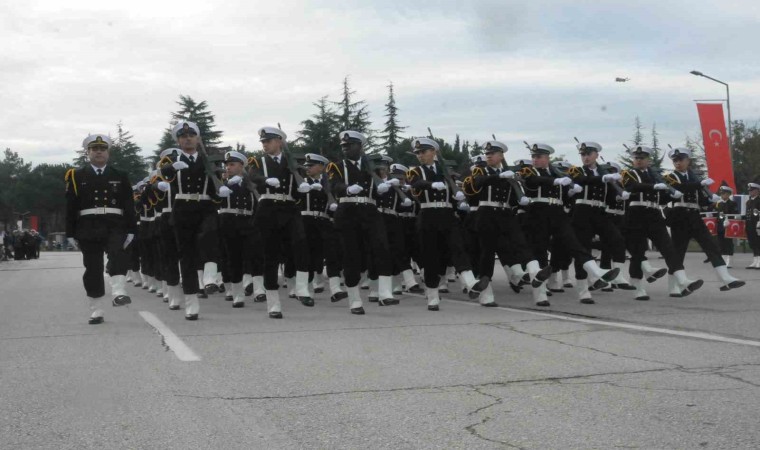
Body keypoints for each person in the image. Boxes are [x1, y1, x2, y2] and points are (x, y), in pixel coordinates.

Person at [520, 143, 619, 306]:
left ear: (547, 158)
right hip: (538, 213)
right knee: (540, 252)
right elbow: (533, 181)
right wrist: (556, 181)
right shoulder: (530, 171)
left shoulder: (557, 172)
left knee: (574, 244)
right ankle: (541, 294)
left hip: (557, 213)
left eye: (538, 157)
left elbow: (564, 198)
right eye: (533, 157)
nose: (535, 160)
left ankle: (596, 272)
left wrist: (571, 192)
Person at [406, 137, 487, 311]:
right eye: (418, 153)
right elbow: (416, 184)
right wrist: (431, 184)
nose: (420, 155)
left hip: (447, 215)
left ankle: (471, 283)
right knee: (431, 256)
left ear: (433, 152)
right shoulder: (415, 171)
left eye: (423, 152)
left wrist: (458, 197)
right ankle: (432, 295)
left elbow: (455, 190)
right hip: (427, 216)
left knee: (458, 248)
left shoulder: (446, 172)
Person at [465, 140, 549, 306]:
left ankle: (535, 271)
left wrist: (520, 199)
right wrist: (498, 176)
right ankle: (486, 295)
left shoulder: (508, 173)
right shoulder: (481, 170)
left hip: (506, 214)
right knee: (487, 254)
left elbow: (512, 196)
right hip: (486, 214)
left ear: (501, 156)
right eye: (487, 154)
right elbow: (478, 182)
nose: (489, 156)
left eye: (492, 153)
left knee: (520, 243)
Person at [326, 130, 400, 314]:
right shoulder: (337, 166)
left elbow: (377, 189)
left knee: (382, 248)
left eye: (350, 145)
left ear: (360, 146)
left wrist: (382, 190)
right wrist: (347, 189)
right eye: (343, 146)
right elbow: (334, 185)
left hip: (370, 211)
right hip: (348, 211)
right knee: (351, 255)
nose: (346, 148)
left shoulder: (371, 167)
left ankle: (385, 293)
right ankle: (355, 300)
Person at [65, 134, 136, 325]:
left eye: (102, 149)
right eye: (94, 149)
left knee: (118, 254)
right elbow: (71, 206)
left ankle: (119, 291)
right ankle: (96, 309)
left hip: (114, 223)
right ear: (87, 152)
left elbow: (128, 204)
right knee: (93, 267)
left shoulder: (119, 175)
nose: (99, 152)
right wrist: (70, 232)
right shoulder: (76, 175)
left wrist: (131, 228)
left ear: (108, 152)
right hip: (88, 225)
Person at [620, 145, 703, 300]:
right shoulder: (628, 174)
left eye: (642, 158)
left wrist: (672, 195)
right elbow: (633, 186)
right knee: (638, 252)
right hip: (636, 214)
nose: (639, 160)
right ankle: (638, 287)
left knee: (668, 248)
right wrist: (654, 186)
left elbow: (661, 199)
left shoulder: (656, 176)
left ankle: (683, 280)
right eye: (636, 158)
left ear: (648, 160)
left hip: (654, 214)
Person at [157, 121, 221, 320]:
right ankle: (191, 302)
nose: (188, 139)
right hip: (183, 209)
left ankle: (210, 278)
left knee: (210, 237)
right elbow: (163, 175)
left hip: (205, 207)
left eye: (191, 136)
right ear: (178, 141)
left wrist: (222, 191)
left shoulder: (207, 161)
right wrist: (172, 168)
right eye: (183, 136)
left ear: (197, 138)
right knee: (187, 257)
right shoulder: (172, 162)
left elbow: (215, 188)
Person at [249, 126, 312, 318]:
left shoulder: (292, 162)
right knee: (271, 256)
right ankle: (273, 303)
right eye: (263, 142)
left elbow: (301, 182)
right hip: (268, 209)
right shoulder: (259, 161)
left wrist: (304, 187)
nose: (265, 145)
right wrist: (266, 180)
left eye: (268, 141)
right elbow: (252, 176)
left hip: (289, 208)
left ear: (279, 142)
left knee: (301, 244)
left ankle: (302, 288)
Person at [663, 147, 744, 292]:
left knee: (711, 246)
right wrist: (700, 184)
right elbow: (681, 188)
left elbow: (700, 200)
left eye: (681, 160)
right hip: (679, 216)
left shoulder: (694, 177)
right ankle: (673, 287)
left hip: (694, 216)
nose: (678, 163)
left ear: (688, 160)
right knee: (678, 252)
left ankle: (725, 278)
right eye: (675, 161)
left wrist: (710, 200)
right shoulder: (670, 177)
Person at [567, 141, 633, 302]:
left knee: (617, 239)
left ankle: (617, 275)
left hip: (600, 212)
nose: (586, 157)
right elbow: (584, 180)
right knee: (584, 249)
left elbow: (609, 197)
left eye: (589, 154)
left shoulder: (605, 172)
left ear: (596, 155)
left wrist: (618, 197)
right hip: (582, 212)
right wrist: (603, 178)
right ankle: (583, 290)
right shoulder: (577, 171)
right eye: (583, 154)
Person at [714, 184, 738, 267]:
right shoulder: (719, 203)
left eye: (724, 193)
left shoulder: (732, 203)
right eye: (721, 193)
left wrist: (729, 220)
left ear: (728, 194)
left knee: (728, 243)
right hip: (720, 226)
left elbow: (735, 214)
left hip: (728, 226)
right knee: (721, 243)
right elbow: (716, 214)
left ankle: (729, 260)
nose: (722, 195)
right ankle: (723, 259)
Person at [745, 182, 760, 269]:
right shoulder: (749, 201)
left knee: (758, 242)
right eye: (749, 190)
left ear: (757, 190)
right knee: (752, 242)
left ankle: (759, 261)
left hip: (757, 224)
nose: (750, 192)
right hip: (749, 225)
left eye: (752, 190)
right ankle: (755, 260)